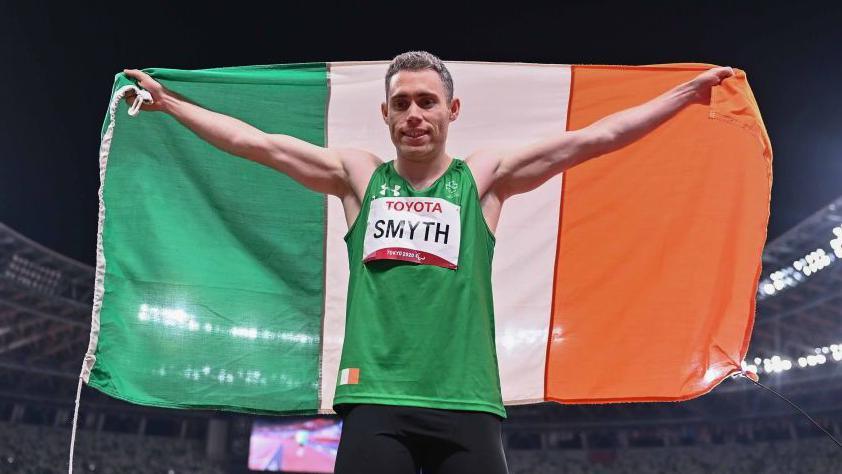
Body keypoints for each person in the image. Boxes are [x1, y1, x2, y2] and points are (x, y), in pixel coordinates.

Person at [123, 51, 732, 474]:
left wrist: (684, 94)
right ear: (385, 115)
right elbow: (257, 145)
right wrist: (172, 106)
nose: (414, 114)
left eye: (426, 102)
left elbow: (595, 138)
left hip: (466, 403)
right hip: (377, 402)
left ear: (451, 111)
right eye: (402, 104)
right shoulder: (357, 176)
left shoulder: (486, 179)